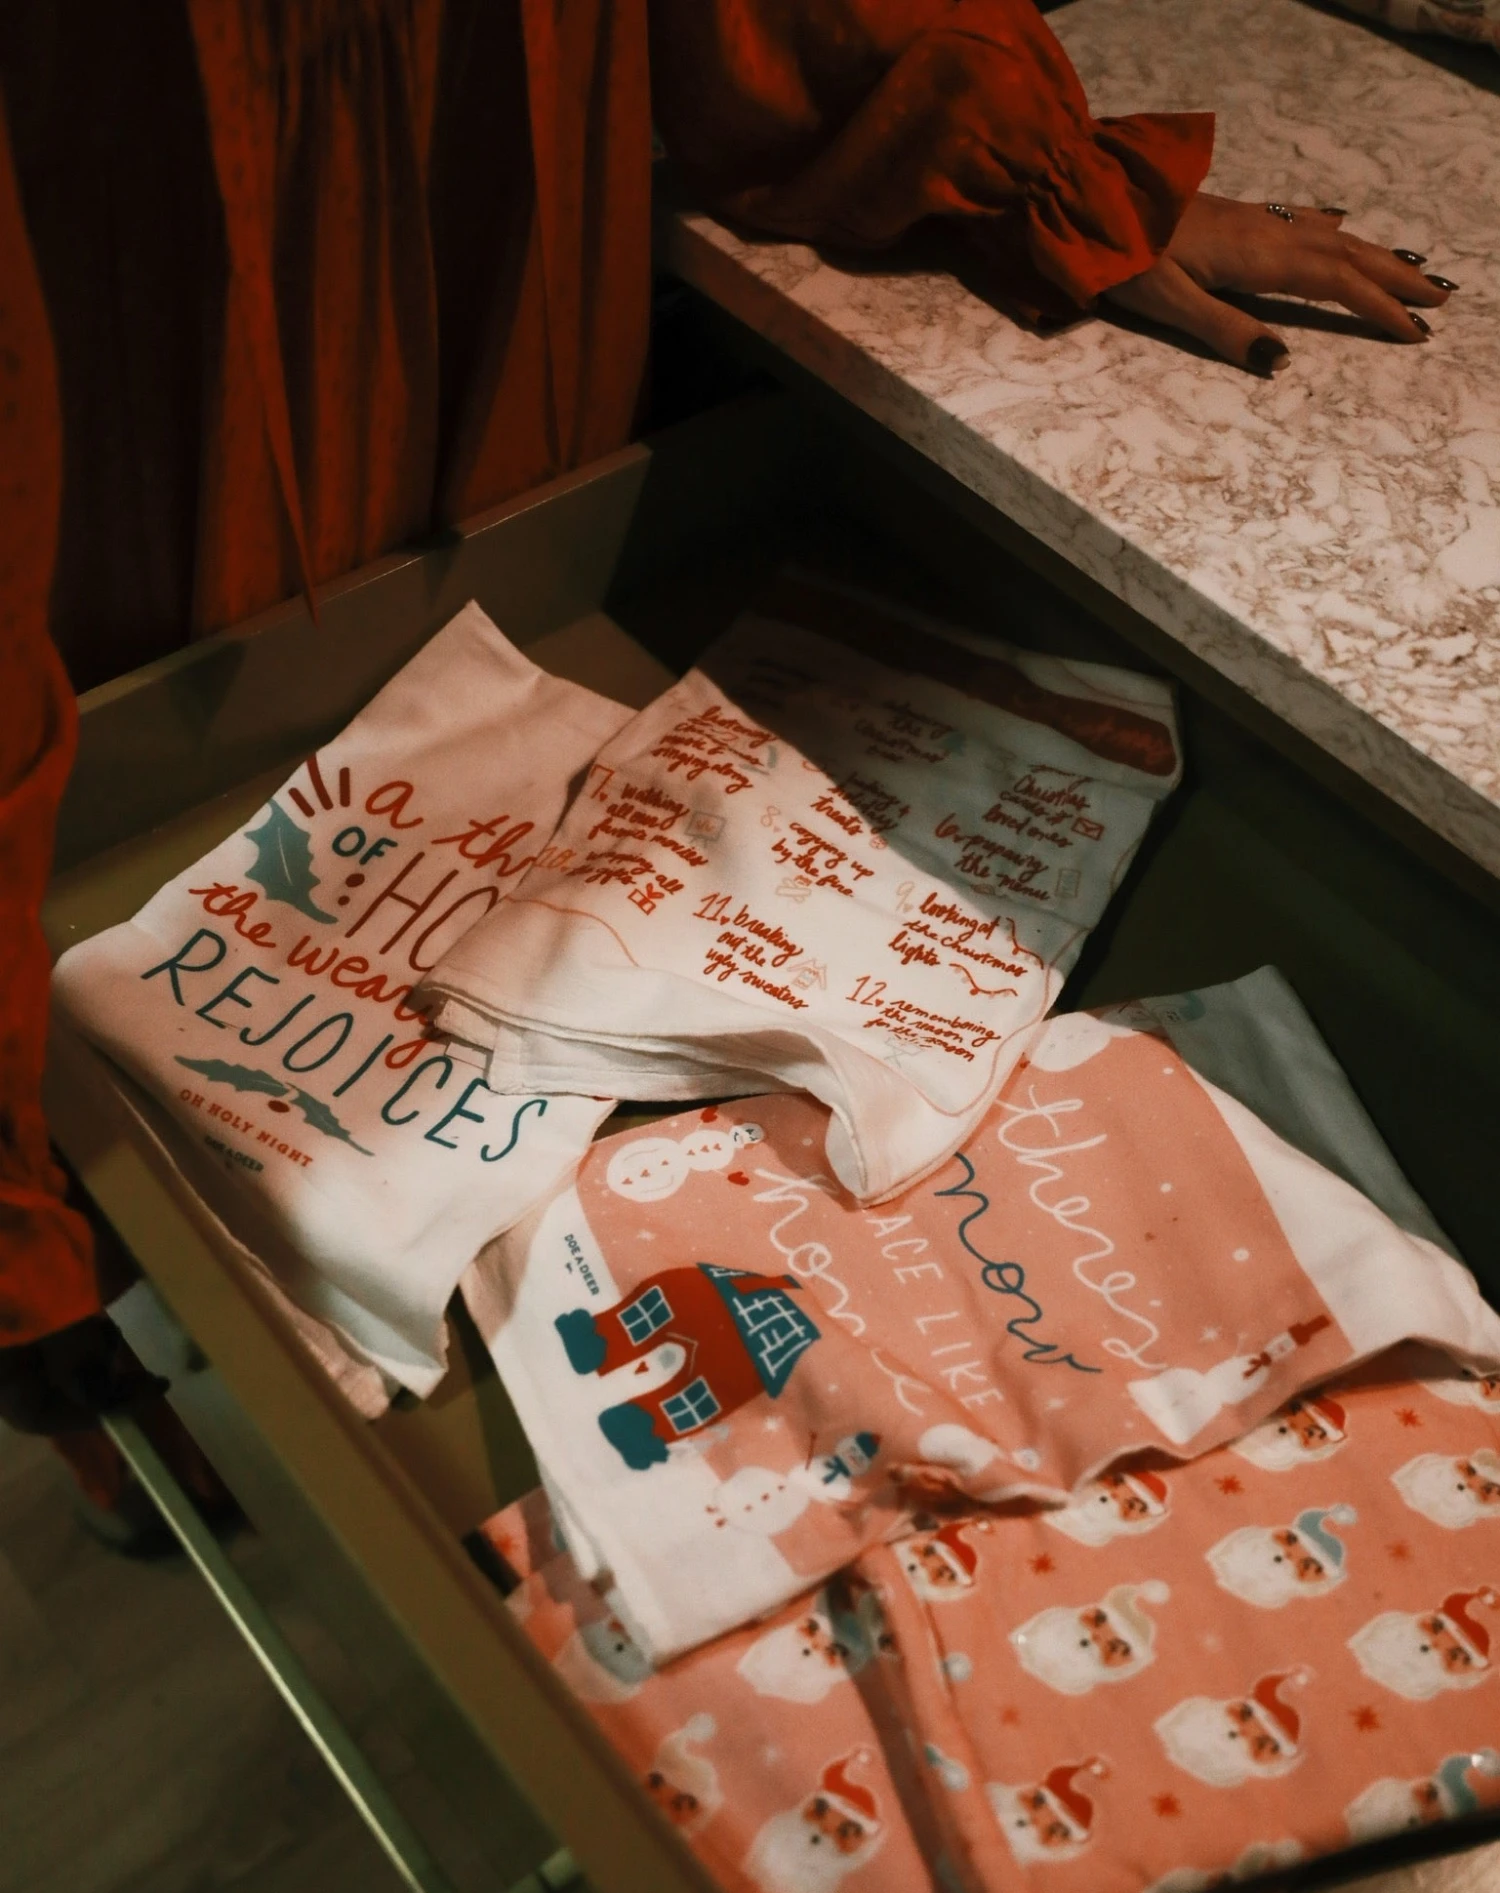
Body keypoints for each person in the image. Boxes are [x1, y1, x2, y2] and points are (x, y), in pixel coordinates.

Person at [0, 0, 1454, 1482]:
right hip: (110, 383)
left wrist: (1039, 172)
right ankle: (163, 1446)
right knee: (154, 1209)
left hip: (499, 322)